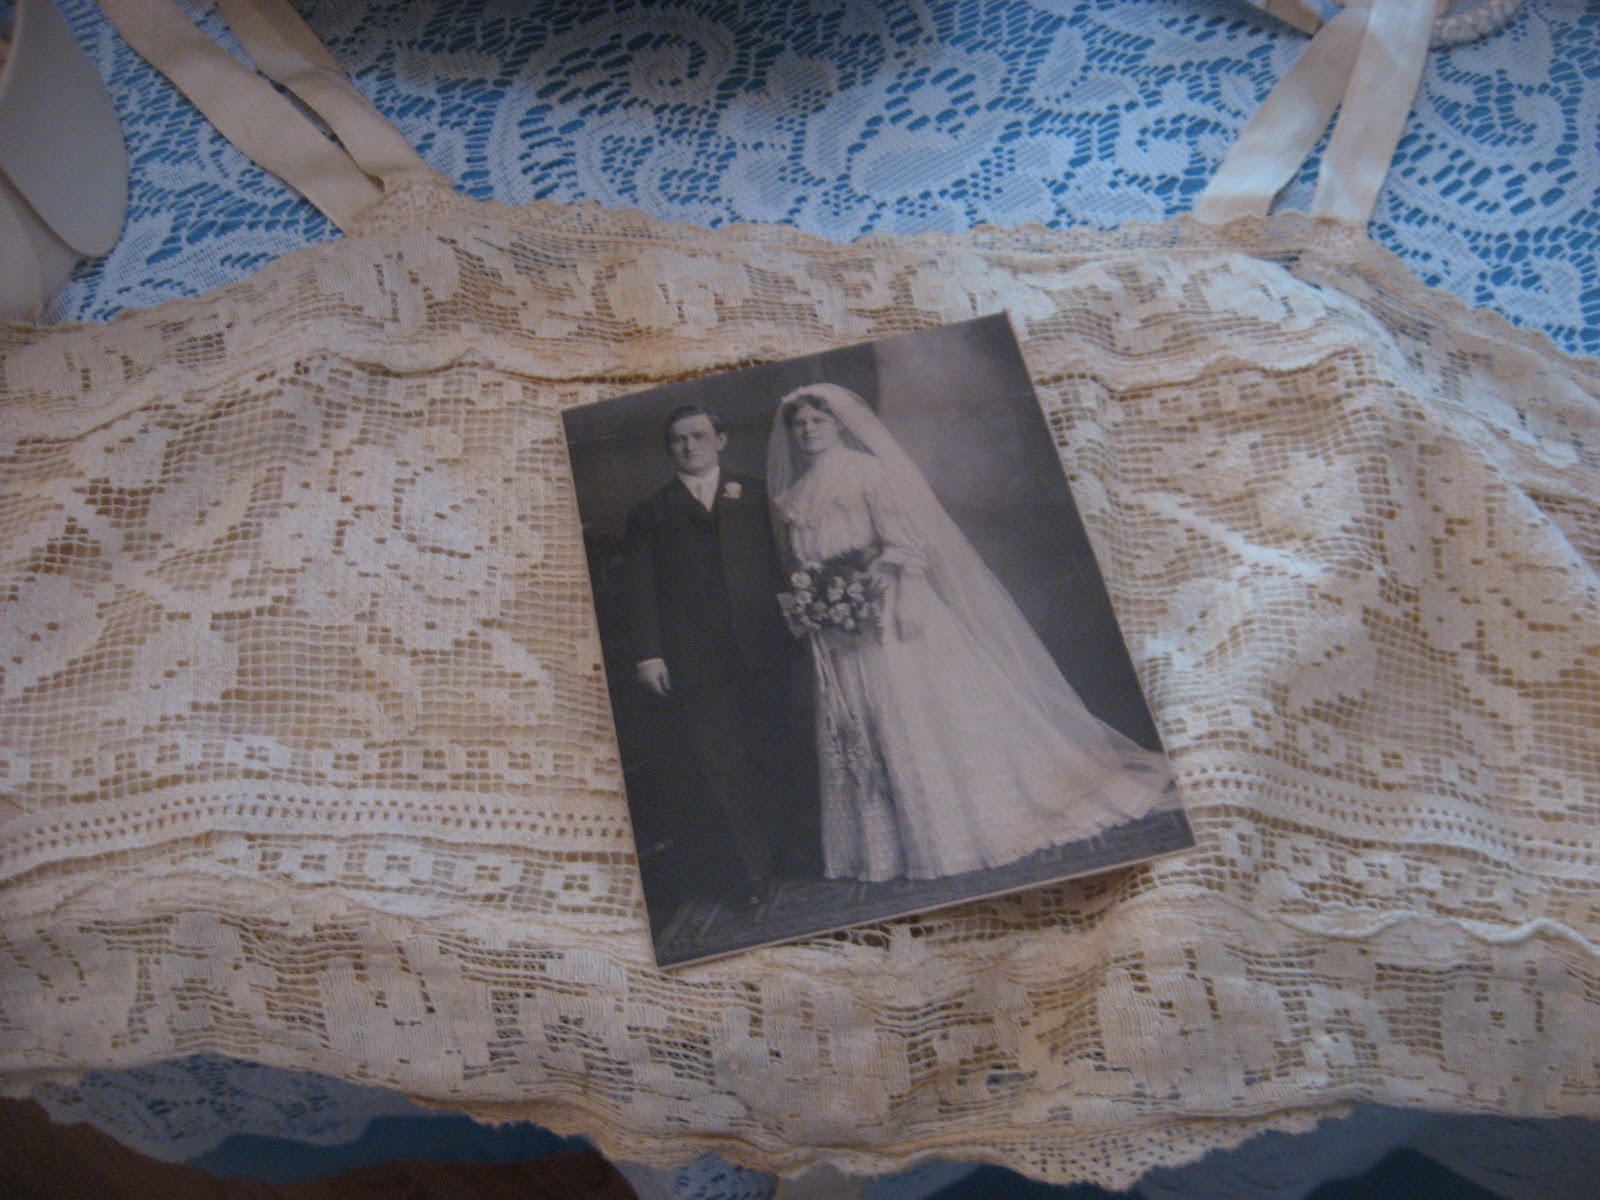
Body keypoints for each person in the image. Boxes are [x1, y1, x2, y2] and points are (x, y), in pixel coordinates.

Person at [766, 383, 1175, 882]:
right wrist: (816, 602)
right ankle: (885, 850)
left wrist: (887, 592)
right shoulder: (792, 497)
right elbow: (803, 567)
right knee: (861, 723)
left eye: (818, 421)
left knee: (914, 713)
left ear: (838, 425)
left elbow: (906, 545)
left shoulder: (869, 474)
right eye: (800, 424)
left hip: (892, 613)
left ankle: (958, 829)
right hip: (838, 630)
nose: (809, 431)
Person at [622, 404, 809, 905]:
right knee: (721, 765)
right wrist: (649, 655)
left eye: (699, 436)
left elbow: (785, 562)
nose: (689, 446)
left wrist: (799, 612)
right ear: (670, 449)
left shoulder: (754, 494)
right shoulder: (651, 512)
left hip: (764, 647)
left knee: (776, 748)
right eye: (678, 440)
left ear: (720, 440)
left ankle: (797, 856)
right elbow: (638, 589)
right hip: (696, 660)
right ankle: (751, 874)